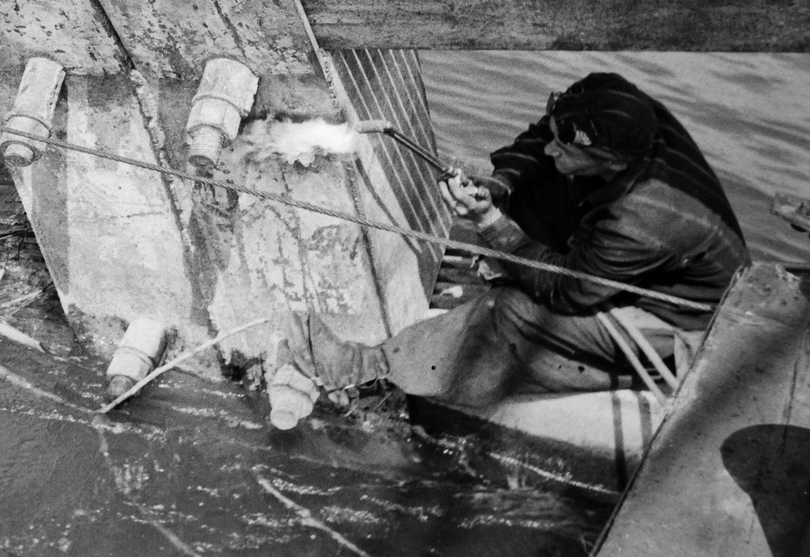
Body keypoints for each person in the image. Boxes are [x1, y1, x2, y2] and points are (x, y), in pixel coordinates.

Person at [293, 72, 750, 410]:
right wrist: (499, 186)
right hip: (627, 256)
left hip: (674, 315)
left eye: (566, 147)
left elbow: (567, 289)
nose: (552, 149)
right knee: (539, 182)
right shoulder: (616, 108)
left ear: (609, 160)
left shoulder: (647, 217)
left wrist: (489, 222)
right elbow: (540, 139)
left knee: (514, 309)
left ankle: (373, 378)